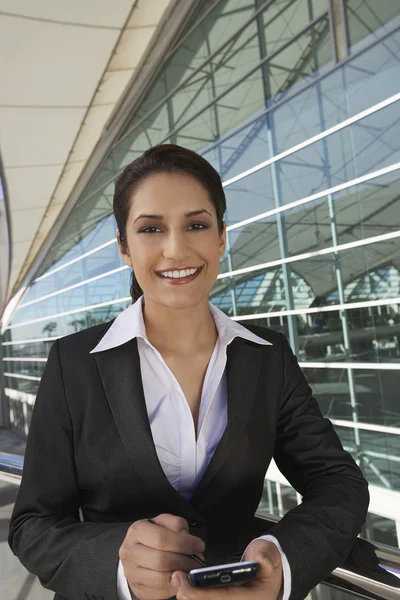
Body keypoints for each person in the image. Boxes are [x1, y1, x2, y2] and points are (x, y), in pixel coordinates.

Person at [9, 144, 369, 600]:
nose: (176, 249)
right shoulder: (73, 362)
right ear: (124, 246)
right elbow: (32, 525)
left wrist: (284, 558)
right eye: (151, 229)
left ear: (221, 236)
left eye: (196, 225)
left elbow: (338, 482)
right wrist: (117, 565)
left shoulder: (267, 357)